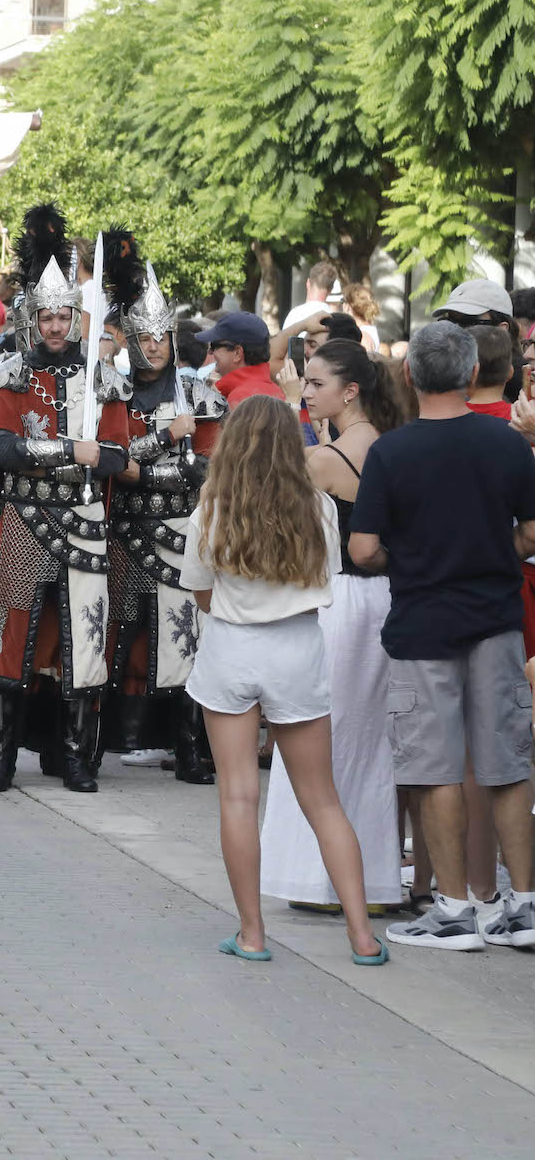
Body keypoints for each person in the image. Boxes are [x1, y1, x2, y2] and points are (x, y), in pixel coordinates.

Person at [349, 321, 535, 951]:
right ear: (473, 373)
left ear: (410, 375)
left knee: (435, 770)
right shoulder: (507, 444)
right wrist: (495, 549)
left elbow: (364, 546)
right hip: (497, 619)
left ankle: (454, 908)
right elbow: (532, 534)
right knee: (507, 765)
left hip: (424, 621)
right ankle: (521, 907)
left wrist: (414, 556)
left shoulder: (392, 453)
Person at [182, 394, 386, 965]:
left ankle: (251, 934)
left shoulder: (213, 508)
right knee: (322, 799)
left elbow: (200, 591)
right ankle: (362, 937)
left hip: (230, 649)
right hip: (297, 648)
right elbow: (329, 576)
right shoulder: (317, 505)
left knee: (239, 796)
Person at [0, 205, 132, 793]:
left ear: (76, 319)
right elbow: (1, 450)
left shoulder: (102, 381)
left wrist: (87, 454)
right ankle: (2, 755)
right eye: (46, 317)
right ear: (32, 318)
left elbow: (117, 457)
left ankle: (77, 757)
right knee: (10, 642)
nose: (55, 327)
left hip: (83, 522)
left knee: (84, 640)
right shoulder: (9, 375)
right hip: (24, 520)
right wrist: (67, 451)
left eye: (64, 317)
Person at [261, 340, 406, 912]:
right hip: (386, 598)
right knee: (372, 742)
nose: (307, 392)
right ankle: (374, 879)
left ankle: (318, 880)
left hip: (338, 601)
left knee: (321, 739)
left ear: (350, 390)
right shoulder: (388, 446)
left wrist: (293, 412)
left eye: (316, 384)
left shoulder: (322, 460)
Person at [100, 233, 225, 784]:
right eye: (143, 338)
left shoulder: (200, 396)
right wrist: (161, 443)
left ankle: (190, 748)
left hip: (180, 532)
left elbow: (209, 469)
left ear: (173, 339)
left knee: (186, 642)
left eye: (161, 338)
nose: (152, 347)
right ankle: (100, 743)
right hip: (124, 532)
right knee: (113, 637)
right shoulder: (113, 395)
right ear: (129, 340)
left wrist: (143, 466)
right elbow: (111, 461)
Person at [199, 311, 286, 404]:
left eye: (214, 345)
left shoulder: (240, 398)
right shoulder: (276, 392)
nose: (210, 351)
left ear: (237, 353)